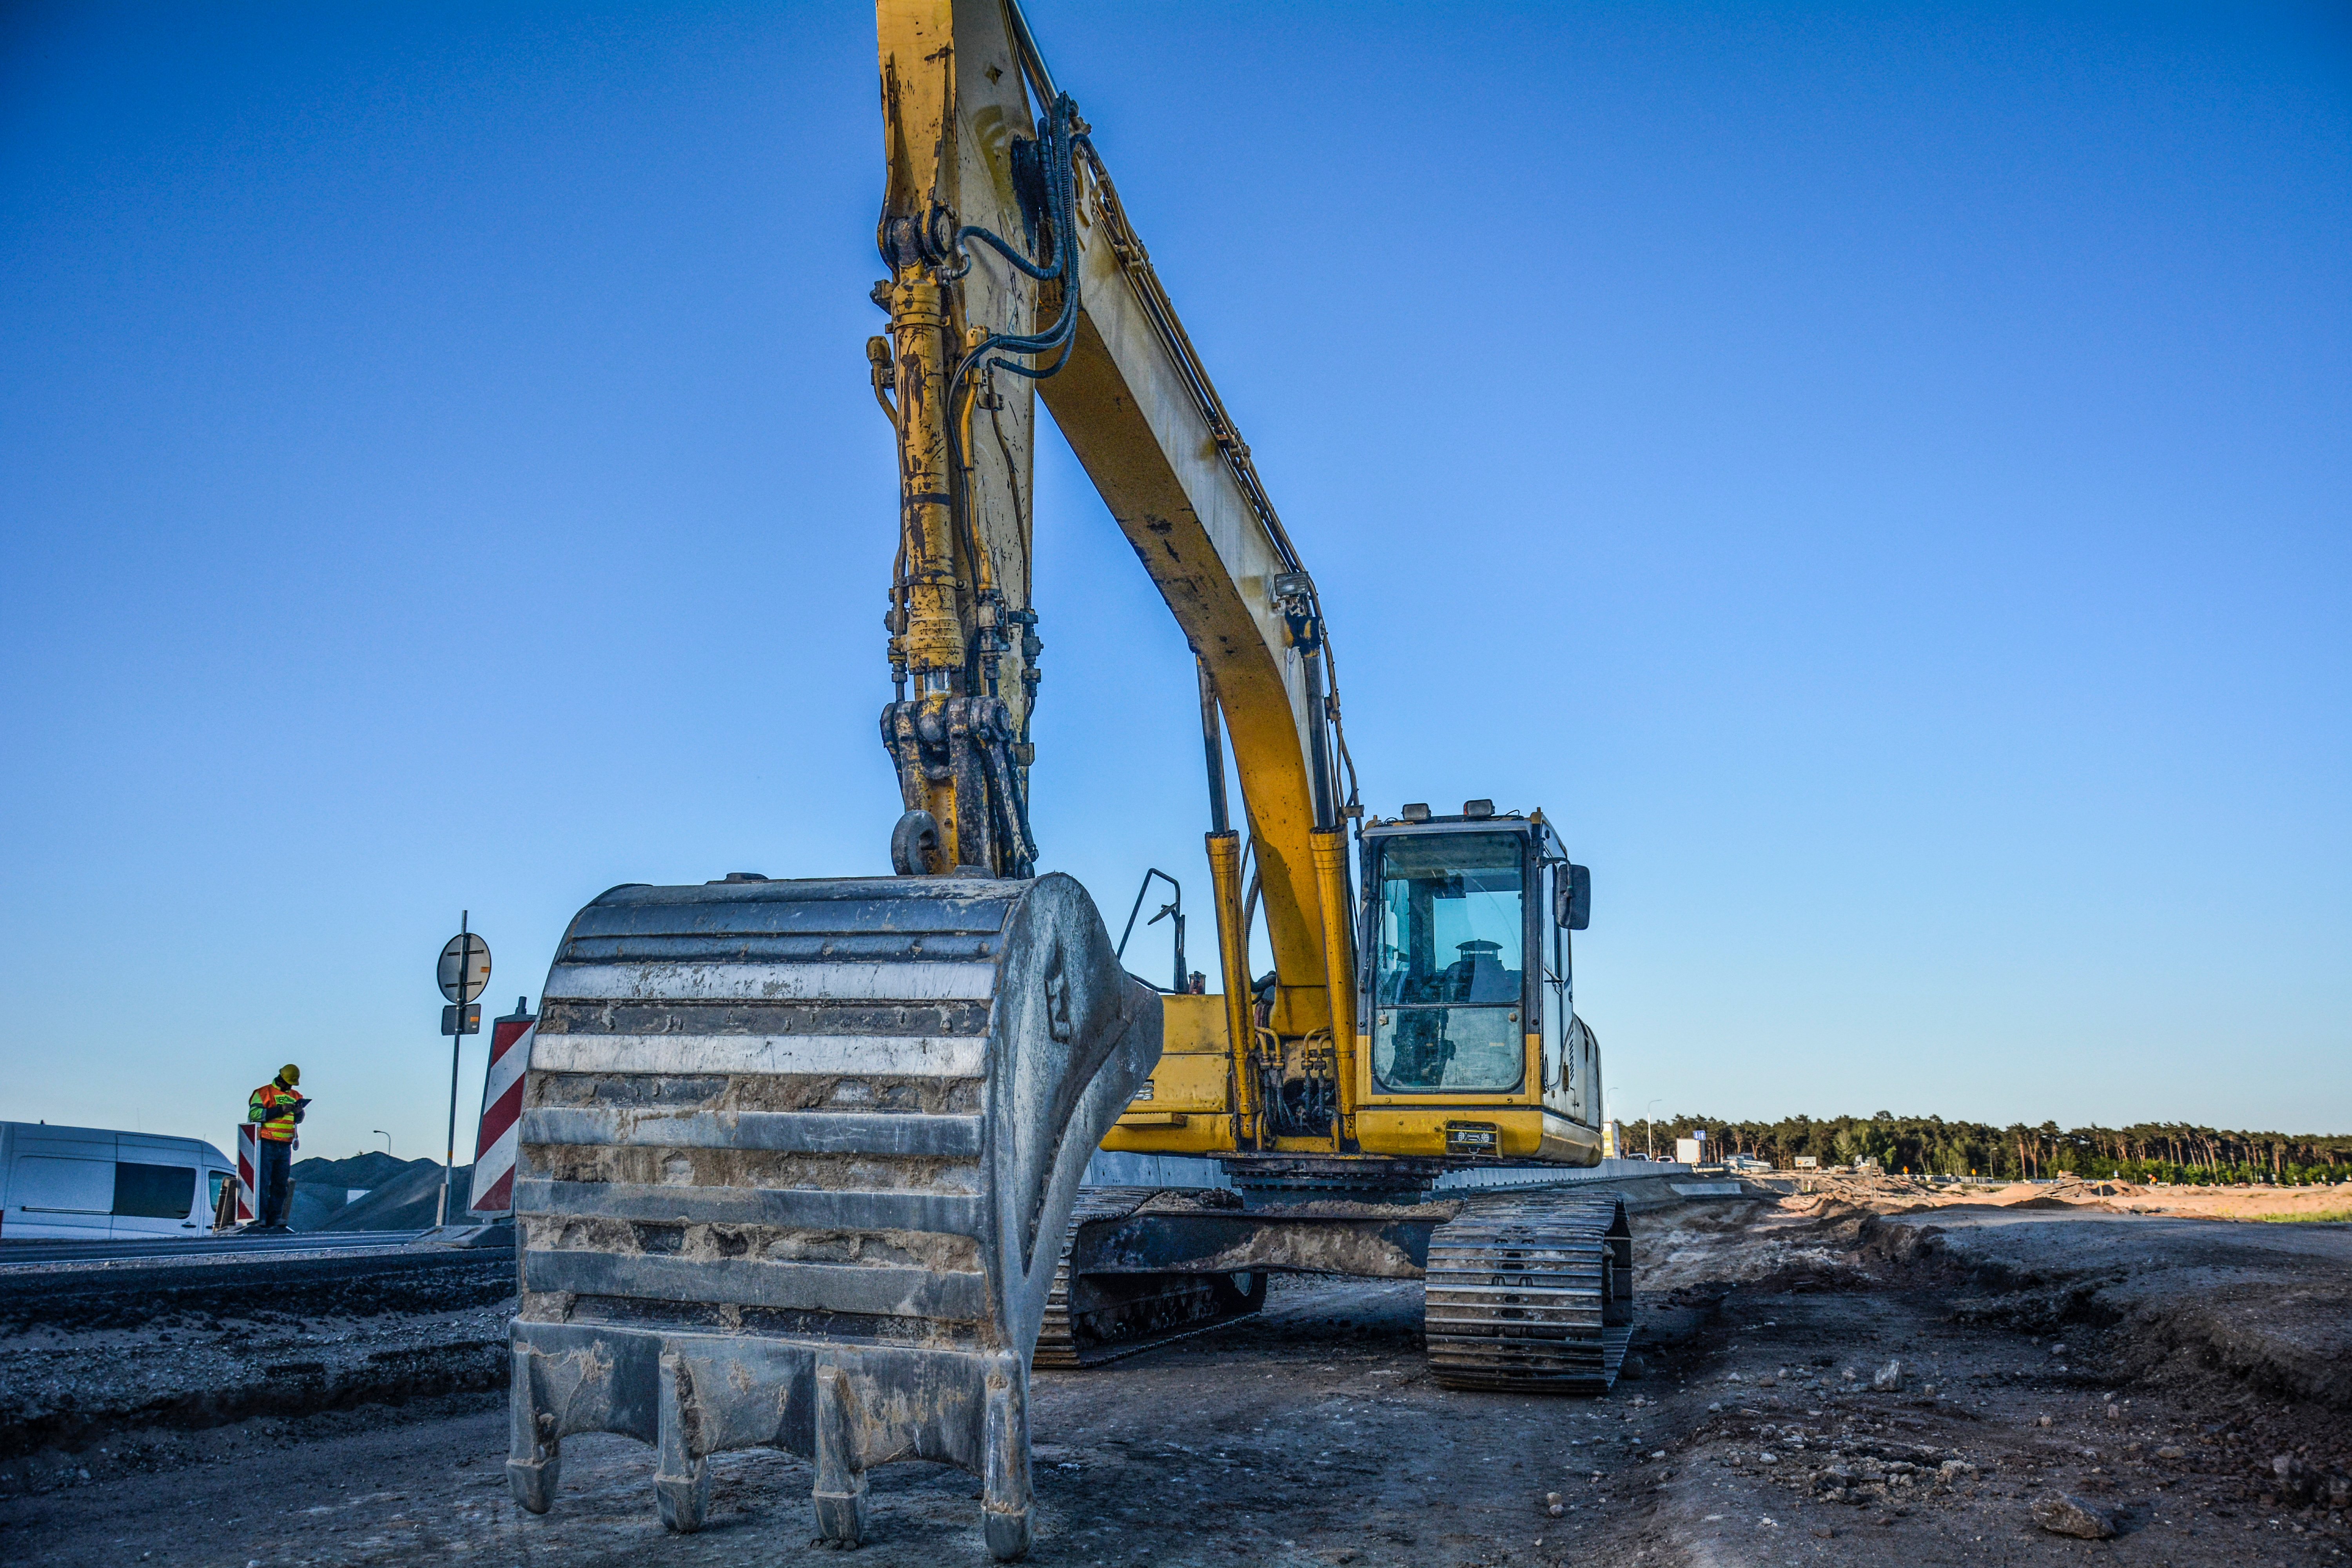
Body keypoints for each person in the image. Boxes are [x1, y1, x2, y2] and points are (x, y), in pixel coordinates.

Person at [246, 1063, 309, 1230]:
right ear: (281, 1079)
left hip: (285, 1145)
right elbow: (254, 1115)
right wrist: (279, 1110)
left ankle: (275, 1217)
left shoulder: (296, 1096)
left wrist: (299, 1112)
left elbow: (298, 1120)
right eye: (289, 1084)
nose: (290, 1087)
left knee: (280, 1184)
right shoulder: (264, 1093)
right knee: (263, 1182)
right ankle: (261, 1217)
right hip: (267, 1142)